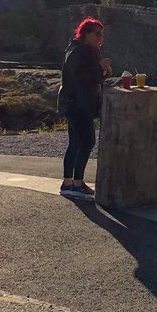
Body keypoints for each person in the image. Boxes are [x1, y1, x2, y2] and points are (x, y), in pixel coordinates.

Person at [58, 17, 110, 200]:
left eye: (101, 34)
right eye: (97, 33)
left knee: (75, 143)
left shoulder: (86, 50)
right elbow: (81, 78)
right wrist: (100, 68)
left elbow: (93, 78)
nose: (100, 37)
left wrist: (102, 71)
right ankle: (77, 184)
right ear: (86, 33)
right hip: (77, 104)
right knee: (87, 142)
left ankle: (68, 183)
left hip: (78, 103)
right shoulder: (77, 51)